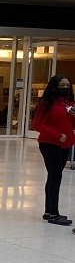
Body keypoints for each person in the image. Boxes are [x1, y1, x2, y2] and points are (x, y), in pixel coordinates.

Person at [31, 75, 75, 226]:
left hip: (66, 145)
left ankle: (49, 211)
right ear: (55, 86)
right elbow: (36, 124)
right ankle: (54, 214)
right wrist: (57, 135)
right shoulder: (46, 103)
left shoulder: (69, 103)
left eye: (67, 85)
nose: (65, 88)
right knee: (56, 177)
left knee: (53, 176)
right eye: (62, 85)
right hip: (49, 144)